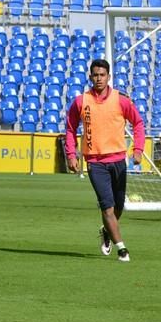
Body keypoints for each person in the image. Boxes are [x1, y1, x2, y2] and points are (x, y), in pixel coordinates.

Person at [64, 59, 145, 262]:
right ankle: (122, 249)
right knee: (107, 207)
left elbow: (138, 123)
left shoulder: (121, 100)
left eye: (102, 75)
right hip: (95, 162)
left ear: (109, 77)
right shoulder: (81, 101)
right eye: (95, 75)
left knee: (118, 207)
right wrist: (71, 154)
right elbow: (70, 128)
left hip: (118, 160)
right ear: (90, 77)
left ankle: (107, 230)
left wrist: (138, 149)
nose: (99, 78)